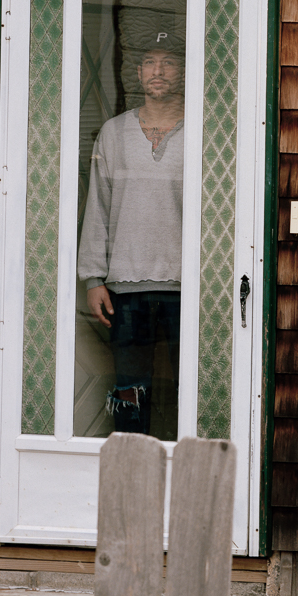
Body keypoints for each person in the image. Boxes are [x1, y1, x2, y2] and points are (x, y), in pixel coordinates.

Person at [78, 29, 185, 434]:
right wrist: (93, 277)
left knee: (186, 386)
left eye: (169, 62)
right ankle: (128, 461)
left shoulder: (203, 130)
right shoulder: (113, 132)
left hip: (186, 285)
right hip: (125, 286)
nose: (158, 71)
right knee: (129, 388)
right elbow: (98, 207)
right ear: (138, 74)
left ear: (182, 72)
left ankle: (184, 470)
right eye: (150, 63)